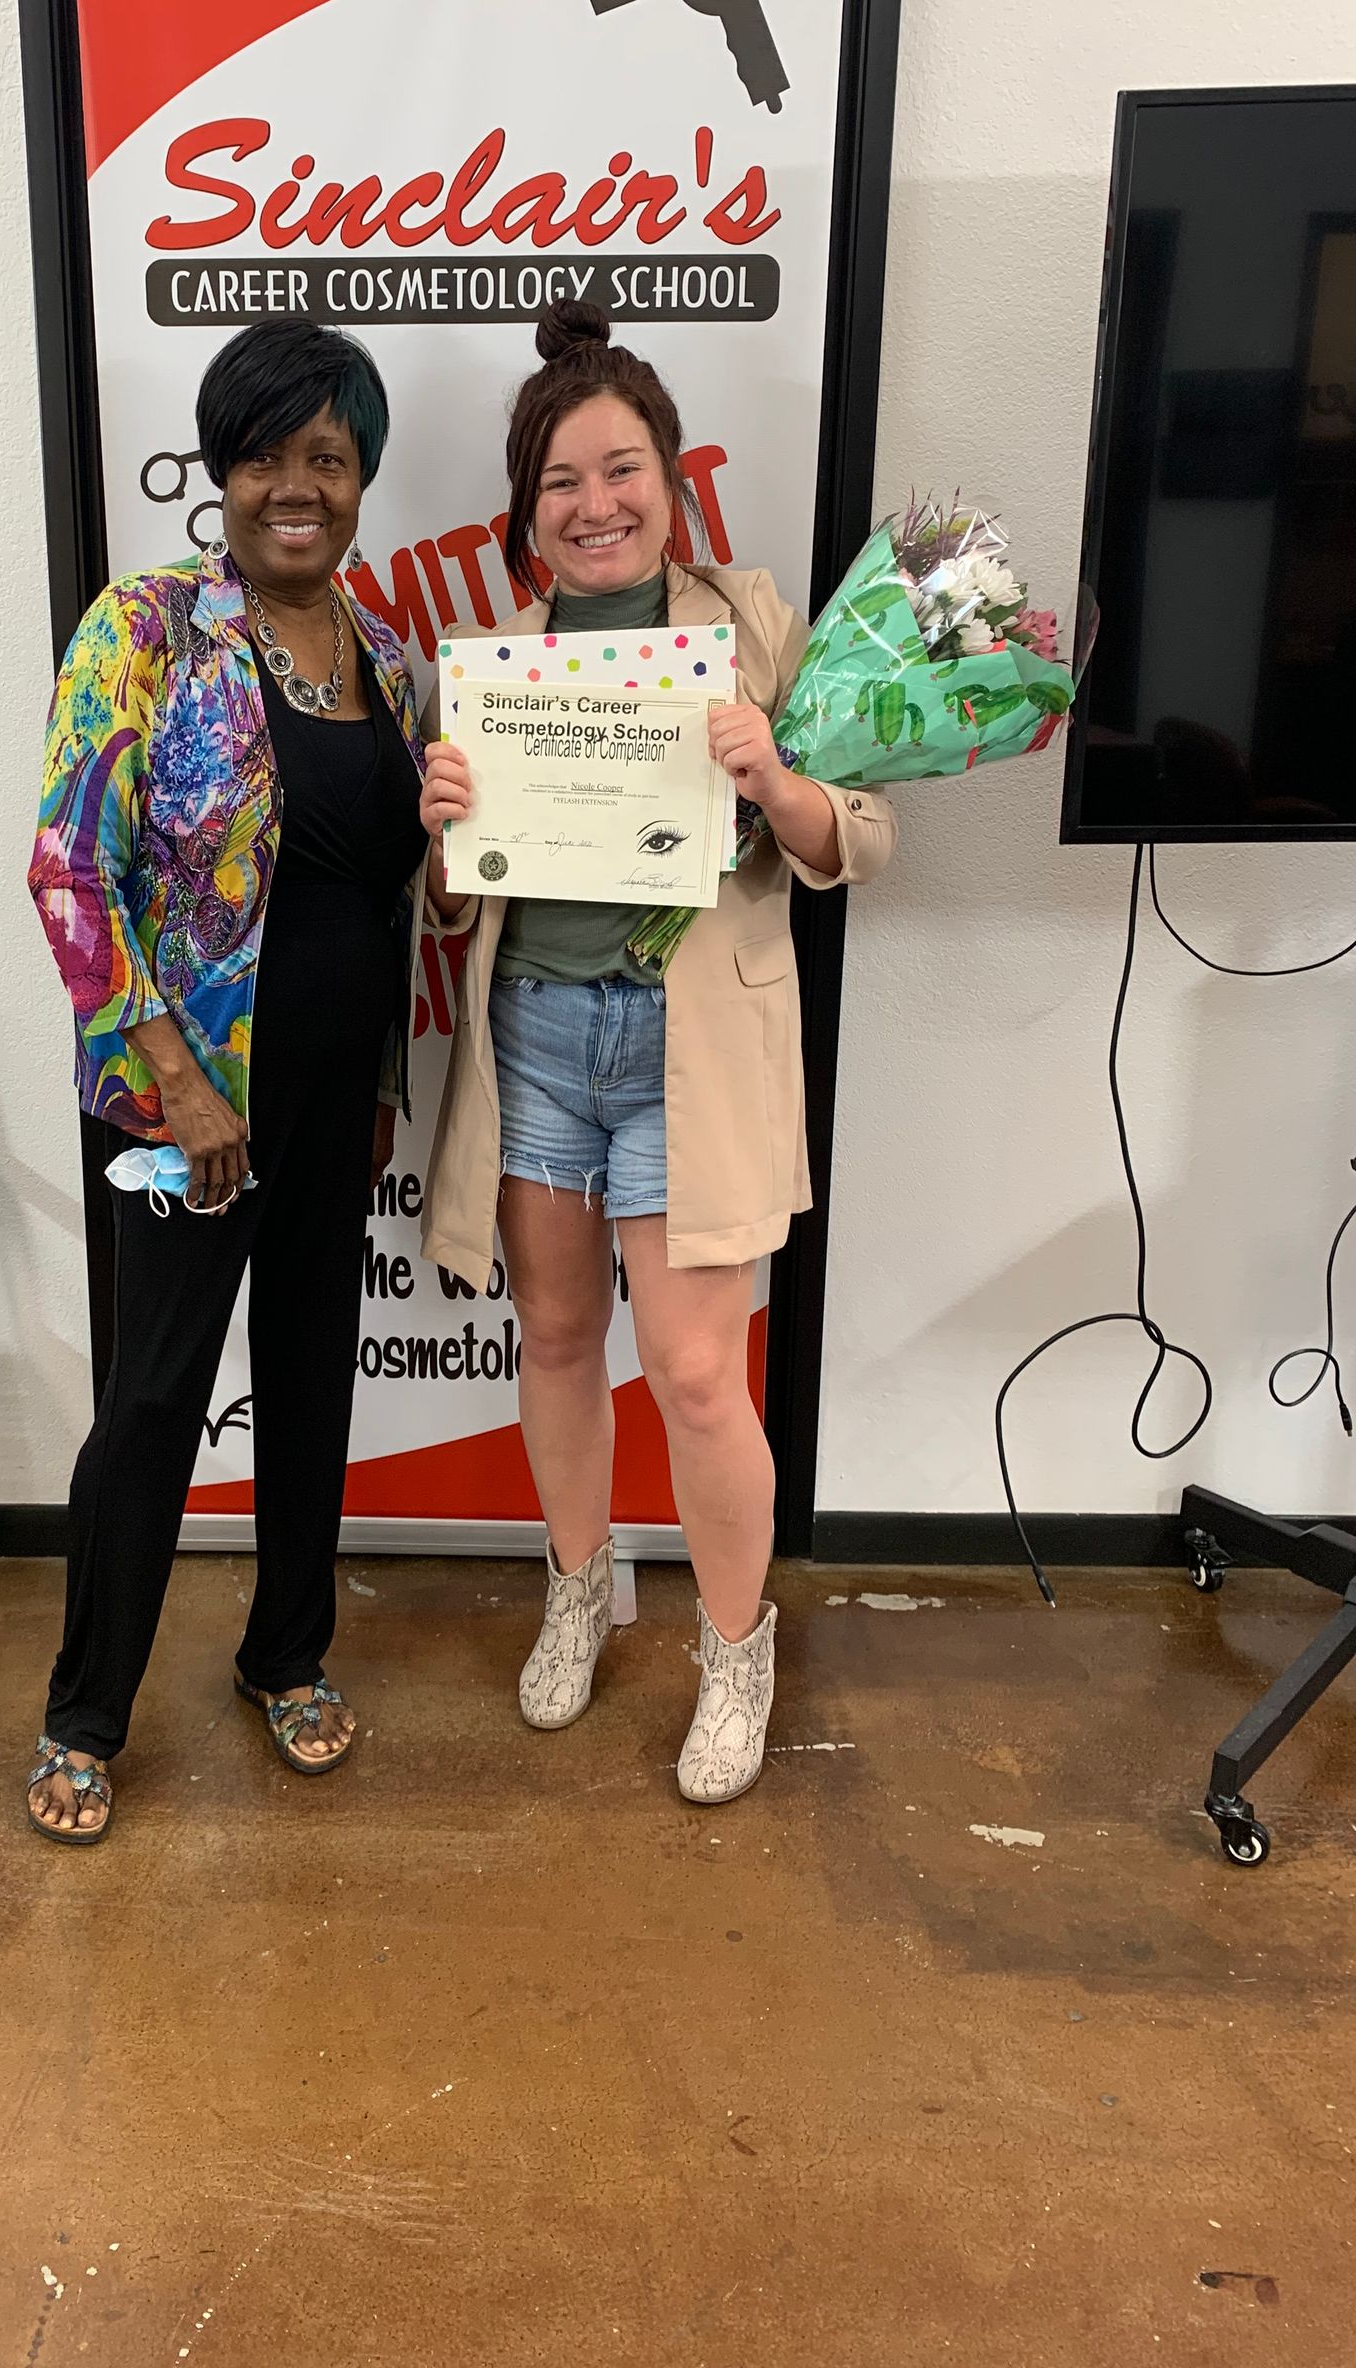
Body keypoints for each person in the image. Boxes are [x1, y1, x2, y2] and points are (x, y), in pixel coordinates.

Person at [417, 301, 896, 1805]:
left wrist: (780, 777)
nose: (595, 503)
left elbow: (860, 842)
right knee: (556, 1342)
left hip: (689, 1049)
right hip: (537, 1045)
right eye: (561, 482)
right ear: (527, 513)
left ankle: (737, 1648)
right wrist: (440, 838)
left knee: (694, 1375)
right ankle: (579, 1587)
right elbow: (454, 901)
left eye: (620, 469)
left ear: (673, 480)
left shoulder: (753, 627)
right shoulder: (491, 658)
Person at [25, 317, 426, 1844]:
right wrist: (181, 1088)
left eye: (327, 455)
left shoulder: (388, 659)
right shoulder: (146, 629)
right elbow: (72, 872)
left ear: (363, 479)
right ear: (224, 470)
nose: (295, 485)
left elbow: (389, 892)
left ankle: (285, 1654)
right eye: (266, 453)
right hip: (191, 1108)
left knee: (314, 1384)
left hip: (338, 1103)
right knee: (154, 1401)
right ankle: (85, 1712)